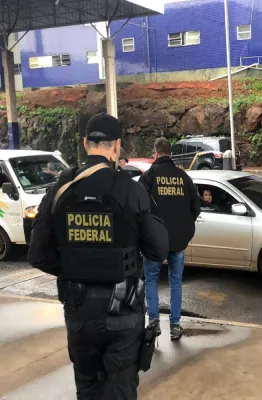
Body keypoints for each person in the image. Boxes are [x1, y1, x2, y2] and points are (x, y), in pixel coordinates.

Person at [28, 113, 169, 399]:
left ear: (85, 144)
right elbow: (158, 249)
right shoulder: (132, 190)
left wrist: (75, 265)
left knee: (88, 389)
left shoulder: (60, 190)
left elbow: (38, 254)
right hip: (123, 313)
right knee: (121, 390)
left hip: (79, 312)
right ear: (117, 146)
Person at [139, 138, 201, 340]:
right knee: (176, 281)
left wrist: (146, 233)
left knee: (151, 279)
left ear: (155, 154)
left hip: (154, 241)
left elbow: (139, 209)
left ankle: (154, 322)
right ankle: (175, 325)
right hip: (178, 241)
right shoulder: (184, 177)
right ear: (171, 154)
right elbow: (196, 208)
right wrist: (184, 229)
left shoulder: (148, 177)